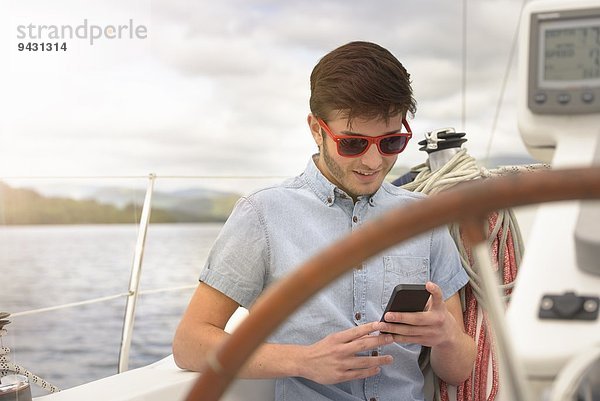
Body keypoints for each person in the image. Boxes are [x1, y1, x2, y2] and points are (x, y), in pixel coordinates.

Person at [173, 41, 476, 401]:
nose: (374, 162)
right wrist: (303, 361)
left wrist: (446, 336)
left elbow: (458, 370)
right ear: (317, 130)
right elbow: (190, 342)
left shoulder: (426, 219)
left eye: (391, 142)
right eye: (353, 144)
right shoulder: (263, 214)